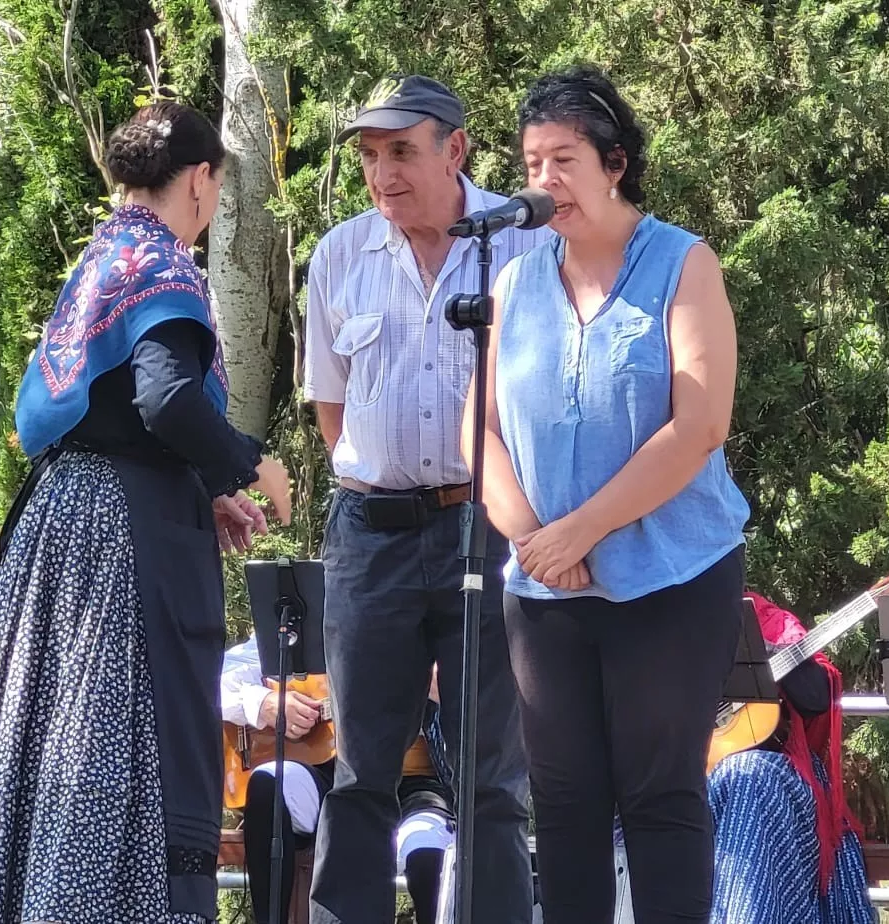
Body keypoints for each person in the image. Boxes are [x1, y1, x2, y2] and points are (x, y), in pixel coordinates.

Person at [0, 101, 290, 924]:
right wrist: (251, 462)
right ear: (200, 180)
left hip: (60, 520)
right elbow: (167, 398)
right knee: (110, 736)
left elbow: (109, 410)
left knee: (43, 740)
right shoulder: (164, 267)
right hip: (117, 539)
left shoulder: (102, 260)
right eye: (217, 187)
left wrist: (202, 487)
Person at [466, 66, 750, 924]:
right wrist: (532, 540)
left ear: (614, 163)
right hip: (543, 585)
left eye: (563, 160)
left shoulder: (682, 263)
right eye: (530, 162)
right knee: (562, 801)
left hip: (673, 575)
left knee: (658, 797)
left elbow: (699, 425)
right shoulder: (512, 283)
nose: (542, 181)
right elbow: (477, 432)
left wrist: (579, 530)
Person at [302, 73, 545, 924]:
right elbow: (331, 409)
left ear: (455, 148)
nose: (382, 174)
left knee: (489, 774)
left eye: (400, 152)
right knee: (361, 768)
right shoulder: (337, 255)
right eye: (369, 156)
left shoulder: (522, 243)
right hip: (370, 534)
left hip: (490, 527)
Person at [222, 637, 454, 924]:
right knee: (269, 783)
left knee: (426, 849)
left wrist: (450, 687)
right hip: (328, 774)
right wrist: (264, 702)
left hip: (414, 783)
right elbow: (215, 678)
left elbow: (495, 698)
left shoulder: (435, 614)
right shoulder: (308, 619)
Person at [705, 593, 872, 924]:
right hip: (684, 772)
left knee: (747, 776)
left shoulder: (768, 619)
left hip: (775, 779)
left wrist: (757, 648)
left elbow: (815, 697)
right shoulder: (658, 619)